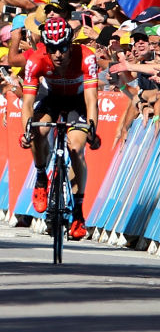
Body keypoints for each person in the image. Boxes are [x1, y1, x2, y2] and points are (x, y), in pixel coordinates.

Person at [20, 15, 100, 240]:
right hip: (51, 99)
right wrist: (27, 129)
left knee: (76, 149)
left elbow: (92, 99)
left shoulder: (86, 57)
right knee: (39, 131)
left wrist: (92, 127)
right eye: (52, 48)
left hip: (77, 101)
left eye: (62, 48)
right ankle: (41, 177)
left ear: (70, 44)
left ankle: (78, 211)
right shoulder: (35, 61)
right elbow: (27, 103)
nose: (57, 54)